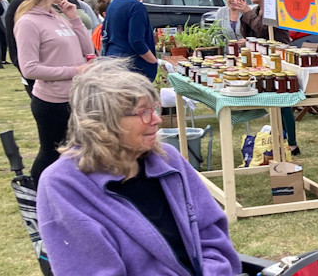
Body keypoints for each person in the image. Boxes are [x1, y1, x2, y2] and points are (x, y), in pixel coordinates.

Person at [36, 58, 241, 275]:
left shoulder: (167, 160)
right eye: (143, 112)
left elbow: (211, 235)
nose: (157, 120)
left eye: (154, 109)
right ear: (103, 122)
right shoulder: (65, 185)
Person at [13, 0, 94, 183]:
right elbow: (29, 68)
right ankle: (38, 195)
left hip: (75, 97)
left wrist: (74, 18)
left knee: (78, 153)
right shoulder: (29, 22)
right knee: (52, 155)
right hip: (51, 103)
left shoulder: (57, 15)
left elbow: (89, 51)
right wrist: (75, 70)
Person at [6, 0, 81, 97]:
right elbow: (22, 57)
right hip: (50, 90)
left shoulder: (61, 5)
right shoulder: (24, 9)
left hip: (73, 86)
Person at [239, 0, 299, 154]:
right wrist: (245, 14)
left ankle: (293, 142)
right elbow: (248, 32)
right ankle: (280, 137)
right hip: (265, 60)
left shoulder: (274, 10)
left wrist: (247, 13)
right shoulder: (257, 10)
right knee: (276, 101)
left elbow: (263, 29)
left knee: (283, 101)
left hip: (280, 58)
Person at [101, 0, 158, 81]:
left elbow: (105, 32)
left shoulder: (114, 2)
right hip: (131, 67)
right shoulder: (136, 7)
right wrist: (154, 61)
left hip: (113, 61)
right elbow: (137, 41)